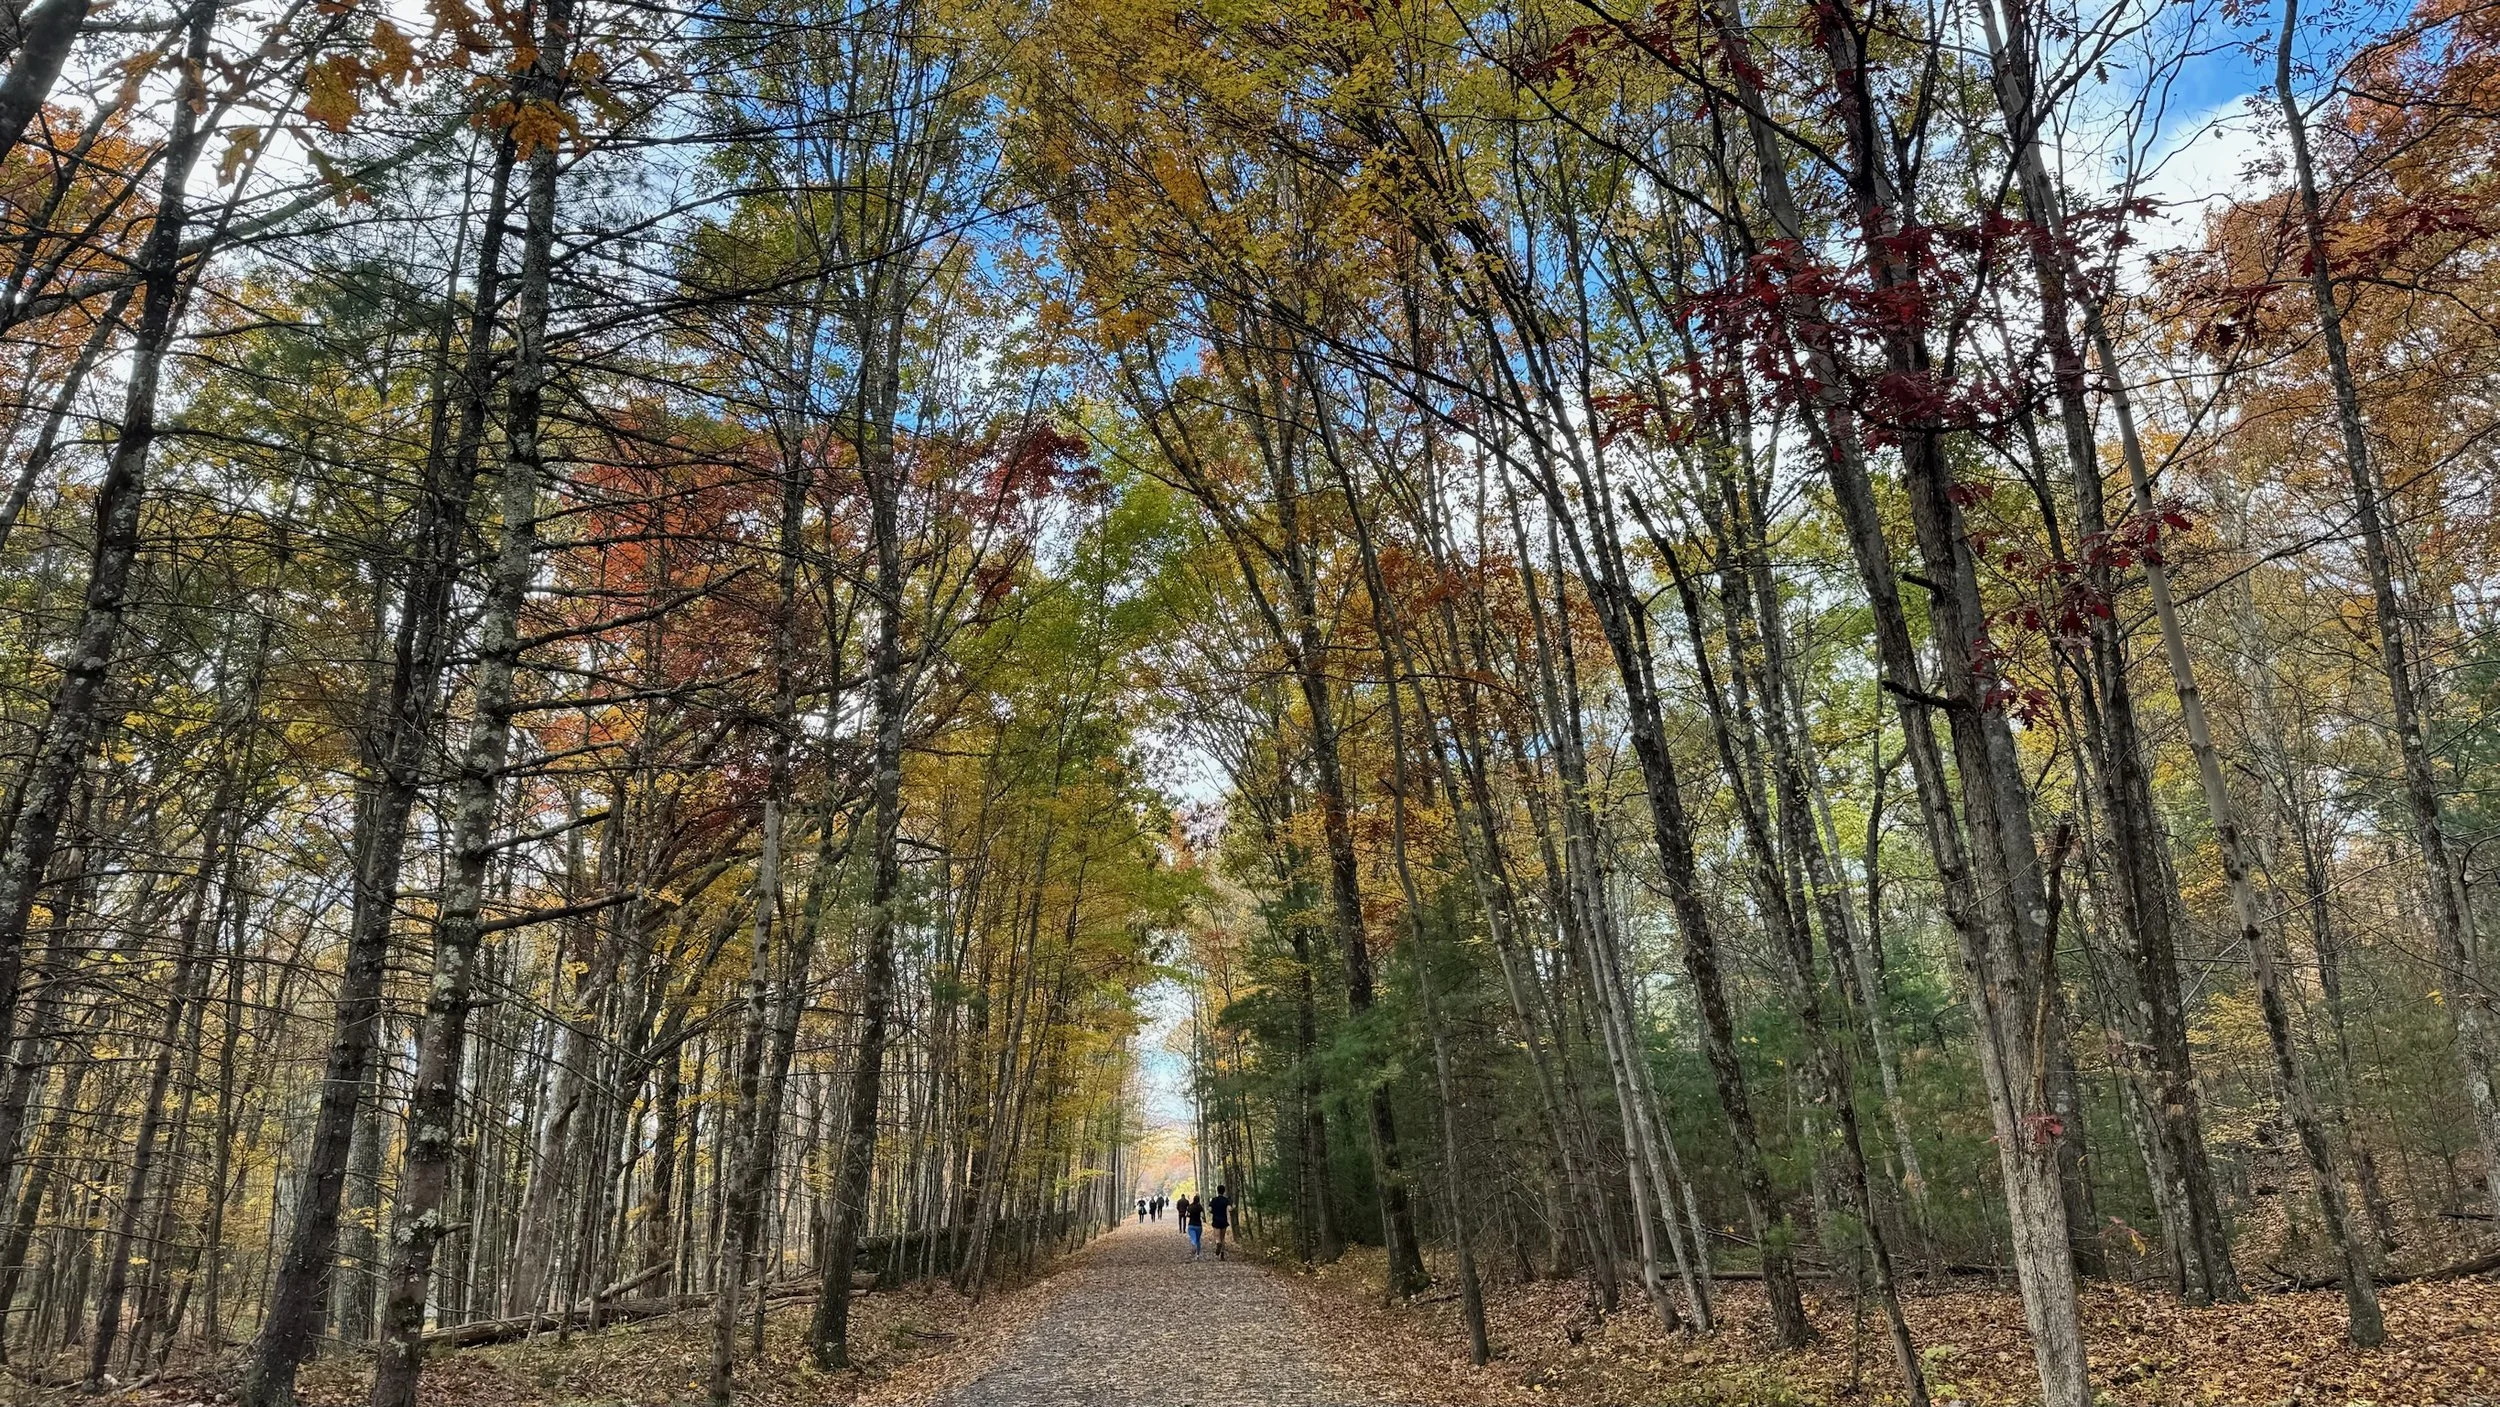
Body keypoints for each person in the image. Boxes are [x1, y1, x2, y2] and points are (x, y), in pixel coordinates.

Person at [1209, 1183, 1233, 1259]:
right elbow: (1229, 1209)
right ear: (1224, 1191)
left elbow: (1210, 1209)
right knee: (1223, 1237)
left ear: (1217, 1191)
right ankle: (1222, 1254)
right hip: (1223, 1220)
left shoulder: (1214, 1200)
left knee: (1217, 1236)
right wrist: (1233, 1207)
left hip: (1216, 1220)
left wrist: (1213, 1211)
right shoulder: (1226, 1200)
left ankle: (1218, 1243)